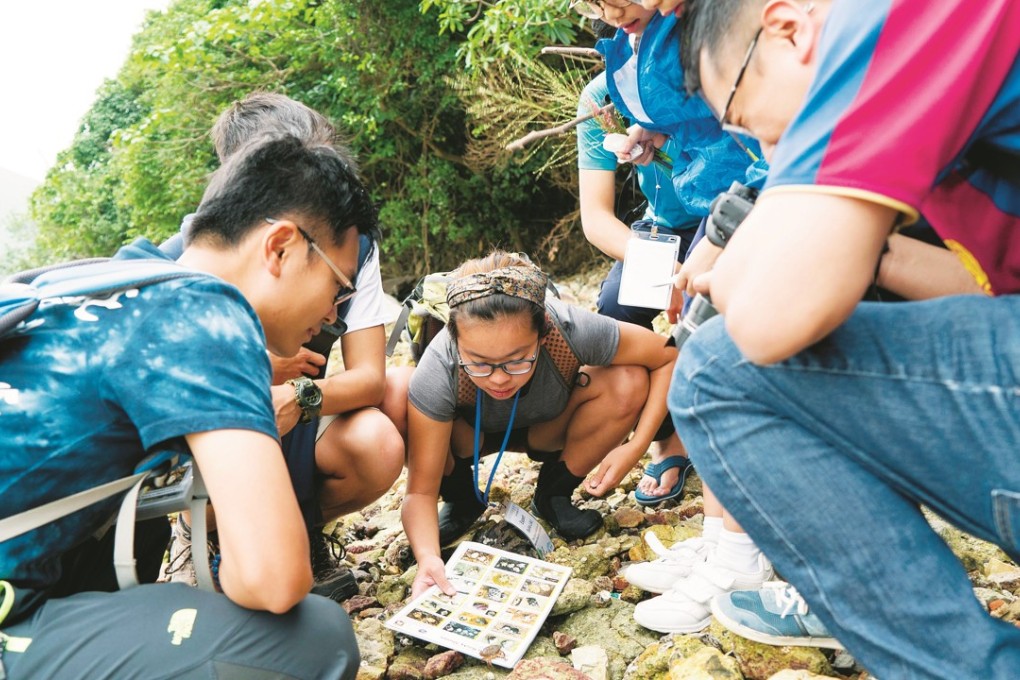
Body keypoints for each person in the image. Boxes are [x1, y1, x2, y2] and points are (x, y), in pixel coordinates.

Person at [669, 0, 1019, 677]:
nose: (768, 155)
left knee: (718, 372)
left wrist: (759, 240)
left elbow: (768, 320)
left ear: (789, 28)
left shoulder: (892, 17)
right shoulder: (958, 141)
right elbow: (986, 300)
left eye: (746, 119)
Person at [0, 135, 375, 678]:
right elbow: (273, 577)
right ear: (281, 247)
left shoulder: (104, 280)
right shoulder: (206, 313)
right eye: (338, 286)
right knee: (315, 640)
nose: (333, 313)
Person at [160, 93, 405, 602]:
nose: (333, 310)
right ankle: (201, 534)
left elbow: (369, 377)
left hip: (296, 413)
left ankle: (297, 530)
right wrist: (252, 371)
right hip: (218, 427)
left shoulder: (347, 246)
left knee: (386, 422)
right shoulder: (188, 264)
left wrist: (298, 393)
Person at [402, 251, 677, 597]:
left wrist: (636, 446)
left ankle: (553, 493)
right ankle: (461, 497)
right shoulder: (440, 363)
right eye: (481, 364)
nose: (500, 379)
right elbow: (419, 492)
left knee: (629, 380)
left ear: (543, 335)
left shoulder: (567, 326)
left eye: (517, 361)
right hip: (468, 436)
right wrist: (428, 557)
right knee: (400, 392)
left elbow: (669, 352)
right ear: (456, 342)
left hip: (548, 425)